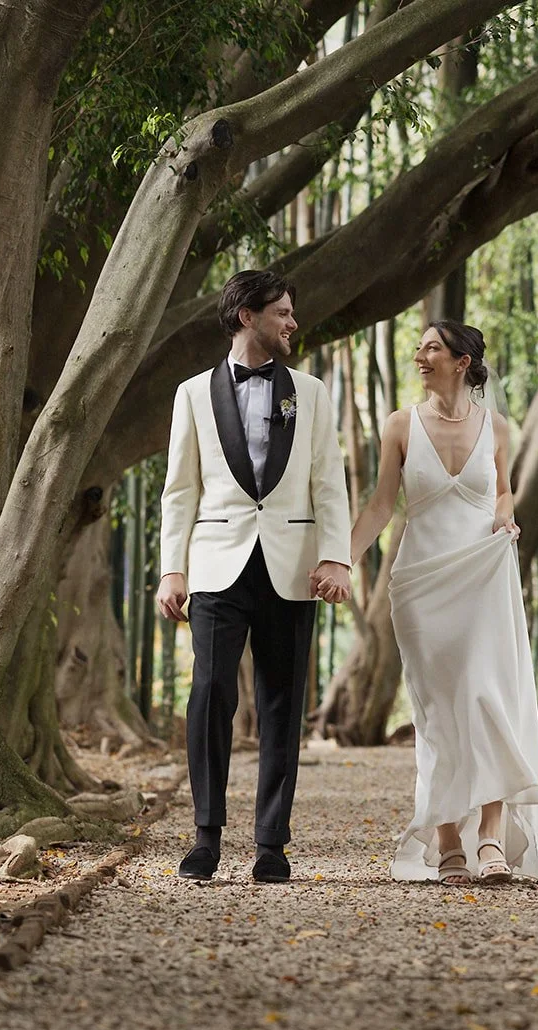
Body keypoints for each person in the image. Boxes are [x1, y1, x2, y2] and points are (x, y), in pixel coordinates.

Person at [156, 270, 352, 884]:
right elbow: (179, 490)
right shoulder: (192, 394)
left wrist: (336, 555)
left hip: (294, 567)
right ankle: (205, 837)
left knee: (282, 705)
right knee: (211, 695)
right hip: (217, 565)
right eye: (283, 313)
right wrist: (172, 568)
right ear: (248, 316)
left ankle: (271, 843)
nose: (293, 323)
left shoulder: (311, 393)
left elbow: (329, 482)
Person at [347, 320, 538, 886]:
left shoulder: (498, 427)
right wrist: (340, 560)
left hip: (484, 572)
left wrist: (505, 513)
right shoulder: (400, 426)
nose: (420, 355)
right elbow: (380, 507)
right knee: (437, 710)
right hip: (422, 582)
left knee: (488, 699)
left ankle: (489, 840)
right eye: (419, 347)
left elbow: (503, 489)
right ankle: (446, 842)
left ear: (462, 361)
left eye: (431, 347)